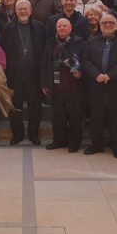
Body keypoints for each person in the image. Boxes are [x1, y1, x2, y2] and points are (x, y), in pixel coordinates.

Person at [82, 14, 117, 159]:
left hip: (115, 86)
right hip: (96, 85)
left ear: (116, 25)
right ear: (100, 25)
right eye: (105, 23)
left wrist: (110, 76)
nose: (108, 25)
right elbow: (86, 61)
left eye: (111, 23)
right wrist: (97, 75)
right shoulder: (92, 41)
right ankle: (96, 144)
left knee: (115, 117)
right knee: (96, 116)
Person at [1, 0, 46, 145]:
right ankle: (18, 134)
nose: (23, 12)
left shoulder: (39, 27)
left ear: (31, 10)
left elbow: (44, 50)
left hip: (34, 74)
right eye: (20, 9)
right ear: (16, 11)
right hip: (15, 75)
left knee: (35, 107)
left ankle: (33, 134)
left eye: (25, 9)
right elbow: (3, 51)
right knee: (15, 106)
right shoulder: (8, 28)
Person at [41, 18, 86, 153]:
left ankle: (74, 142)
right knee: (57, 115)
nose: (62, 28)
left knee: (75, 115)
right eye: (59, 26)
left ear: (70, 28)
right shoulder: (50, 43)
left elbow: (85, 59)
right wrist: (44, 82)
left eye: (64, 26)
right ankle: (58, 140)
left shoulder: (79, 42)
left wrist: (80, 72)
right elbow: (44, 64)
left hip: (74, 84)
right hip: (55, 84)